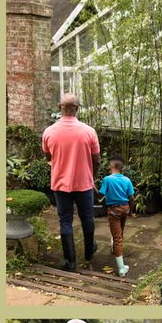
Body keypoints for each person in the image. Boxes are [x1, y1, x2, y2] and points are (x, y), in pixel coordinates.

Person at [41, 93, 100, 271]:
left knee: (65, 221)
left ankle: (70, 262)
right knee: (87, 218)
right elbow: (96, 160)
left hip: (60, 184)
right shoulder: (89, 132)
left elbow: (47, 156)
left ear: (60, 107)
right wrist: (92, 177)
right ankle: (89, 253)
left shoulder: (49, 132)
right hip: (84, 184)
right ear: (77, 108)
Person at [98, 156, 135, 277]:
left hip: (113, 210)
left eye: (109, 165)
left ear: (113, 166)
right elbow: (132, 197)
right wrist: (131, 211)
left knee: (117, 238)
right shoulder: (127, 180)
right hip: (125, 208)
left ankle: (121, 269)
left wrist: (93, 186)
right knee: (120, 232)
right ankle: (114, 247)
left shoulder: (107, 180)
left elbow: (100, 196)